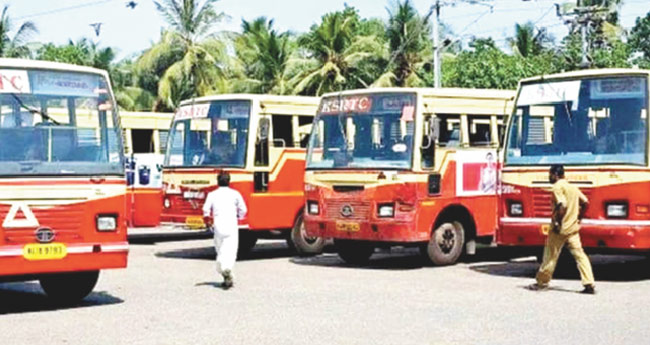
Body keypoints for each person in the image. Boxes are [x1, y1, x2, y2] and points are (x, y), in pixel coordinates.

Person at [528, 164, 596, 294]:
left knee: (550, 255)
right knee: (580, 255)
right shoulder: (572, 187)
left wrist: (558, 222)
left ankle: (542, 282)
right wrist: (579, 217)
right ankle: (589, 283)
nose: (549, 177)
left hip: (560, 229)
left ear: (555, 174)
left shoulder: (557, 187)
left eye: (550, 174)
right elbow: (586, 202)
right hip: (573, 229)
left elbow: (562, 205)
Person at [202, 172, 247, 289]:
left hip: (218, 226)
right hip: (231, 225)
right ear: (229, 181)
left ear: (217, 182)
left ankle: (223, 271)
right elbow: (243, 209)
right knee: (230, 251)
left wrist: (208, 221)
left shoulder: (212, 195)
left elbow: (205, 210)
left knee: (220, 249)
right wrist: (239, 217)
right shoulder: (235, 194)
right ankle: (227, 270)